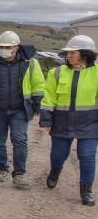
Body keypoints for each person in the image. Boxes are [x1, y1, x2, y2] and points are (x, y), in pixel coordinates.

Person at [0, 30, 45, 188]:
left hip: (20, 110)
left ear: (16, 47)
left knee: (20, 140)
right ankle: (2, 168)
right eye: (1, 46)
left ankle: (19, 173)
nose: (3, 49)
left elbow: (39, 85)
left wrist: (39, 105)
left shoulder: (30, 63)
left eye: (7, 46)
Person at [40, 35, 98, 206]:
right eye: (67, 53)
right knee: (58, 155)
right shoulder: (56, 73)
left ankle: (86, 191)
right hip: (62, 122)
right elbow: (48, 98)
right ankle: (55, 171)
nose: (68, 56)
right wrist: (46, 120)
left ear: (85, 54)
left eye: (73, 52)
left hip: (90, 124)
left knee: (87, 156)